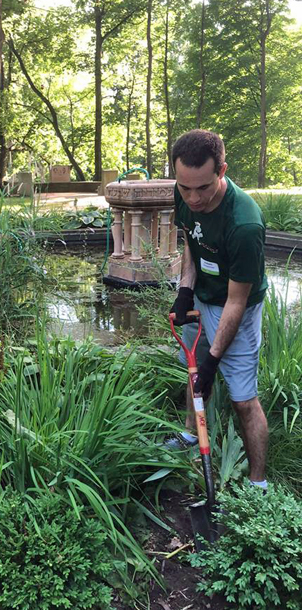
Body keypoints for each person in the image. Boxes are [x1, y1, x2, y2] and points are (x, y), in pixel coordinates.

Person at [169, 129, 269, 489]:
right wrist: (185, 291)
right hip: (201, 296)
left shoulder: (244, 224)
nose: (193, 197)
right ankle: (190, 434)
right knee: (193, 372)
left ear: (222, 170)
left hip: (235, 307)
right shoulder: (183, 193)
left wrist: (214, 359)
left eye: (203, 188)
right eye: (185, 187)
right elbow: (190, 243)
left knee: (243, 399)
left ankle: (258, 484)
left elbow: (237, 301)